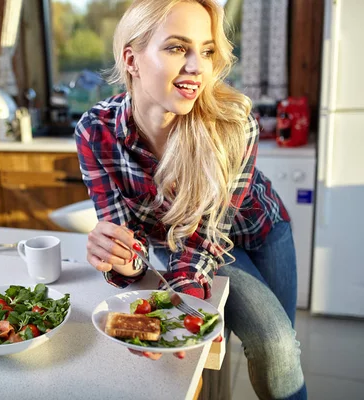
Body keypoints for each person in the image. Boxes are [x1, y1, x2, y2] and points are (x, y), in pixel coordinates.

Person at [74, 1, 307, 399]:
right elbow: (131, 246)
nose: (198, 67)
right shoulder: (96, 132)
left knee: (279, 346)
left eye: (207, 50)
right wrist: (119, 255)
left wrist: (178, 309)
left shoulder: (233, 124)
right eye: (178, 48)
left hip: (261, 230)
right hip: (185, 241)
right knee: (230, 341)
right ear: (132, 58)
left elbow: (208, 235)